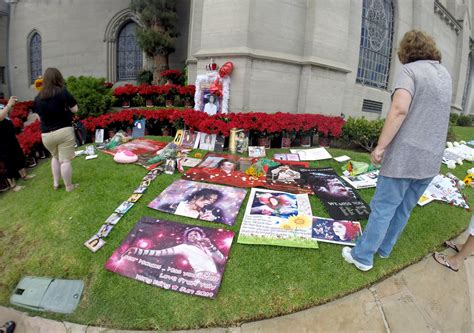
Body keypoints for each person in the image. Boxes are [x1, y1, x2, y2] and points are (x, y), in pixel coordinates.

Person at [342, 30, 452, 271]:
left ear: (406, 52)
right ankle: (384, 248)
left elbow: (399, 109)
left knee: (383, 208)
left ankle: (362, 256)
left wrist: (380, 147)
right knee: (404, 208)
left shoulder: (410, 71)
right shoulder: (444, 74)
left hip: (405, 156)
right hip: (431, 157)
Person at [34, 68, 79, 192]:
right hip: (63, 131)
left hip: (46, 135)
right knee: (65, 160)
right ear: (58, 78)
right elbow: (75, 109)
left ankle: (55, 184)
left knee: (55, 157)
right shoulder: (62, 92)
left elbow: (38, 118)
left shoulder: (38, 97)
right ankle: (69, 186)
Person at [123, 227, 226, 277]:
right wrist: (137, 250)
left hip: (214, 276)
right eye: (190, 235)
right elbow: (160, 253)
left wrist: (210, 246)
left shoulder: (207, 247)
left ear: (201, 236)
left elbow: (221, 261)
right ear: (187, 239)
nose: (193, 236)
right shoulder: (184, 247)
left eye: (196, 234)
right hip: (202, 277)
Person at [0, 96, 35, 192]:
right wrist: (8, 105)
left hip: (10, 137)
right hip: (2, 141)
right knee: (8, 161)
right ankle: (13, 186)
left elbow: (6, 114)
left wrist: (10, 106)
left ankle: (24, 175)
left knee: (18, 155)